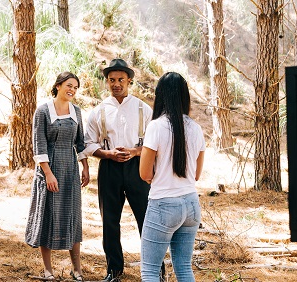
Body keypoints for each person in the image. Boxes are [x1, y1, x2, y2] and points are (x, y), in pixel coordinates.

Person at [82, 59, 154, 281]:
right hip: (109, 168)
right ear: (106, 82)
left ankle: (154, 269)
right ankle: (114, 270)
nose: (116, 84)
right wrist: (108, 154)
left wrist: (134, 152)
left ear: (129, 81)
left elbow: (155, 143)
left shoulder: (144, 109)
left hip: (138, 168)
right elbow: (87, 143)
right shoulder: (98, 111)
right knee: (109, 221)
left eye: (121, 80)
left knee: (147, 219)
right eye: (111, 80)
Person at [139, 72, 205, 282]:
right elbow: (196, 174)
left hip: (163, 204)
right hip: (191, 204)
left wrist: (156, 177)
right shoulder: (196, 128)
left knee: (150, 271)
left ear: (161, 96)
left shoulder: (156, 126)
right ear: (185, 96)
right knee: (184, 268)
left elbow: (144, 173)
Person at [25, 72, 90, 281]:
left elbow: (80, 143)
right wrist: (48, 174)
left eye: (76, 87)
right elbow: (39, 144)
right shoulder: (43, 111)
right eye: (69, 85)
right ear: (58, 86)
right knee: (48, 215)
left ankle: (77, 269)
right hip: (49, 170)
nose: (72, 90)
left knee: (72, 215)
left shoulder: (76, 112)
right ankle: (48, 270)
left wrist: (85, 167)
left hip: (70, 169)